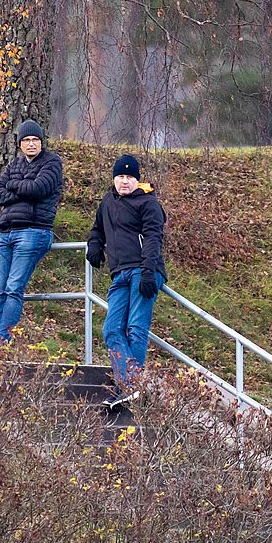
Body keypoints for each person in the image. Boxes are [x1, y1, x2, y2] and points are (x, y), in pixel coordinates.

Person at [85, 153, 165, 405]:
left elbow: (153, 238)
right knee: (111, 329)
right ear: (114, 178)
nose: (124, 181)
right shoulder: (107, 202)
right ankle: (131, 383)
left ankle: (130, 386)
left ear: (137, 180)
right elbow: (97, 228)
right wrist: (94, 245)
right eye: (120, 176)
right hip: (119, 273)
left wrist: (148, 271)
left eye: (130, 177)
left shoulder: (148, 204)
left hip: (144, 271)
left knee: (135, 328)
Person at [0, 119, 62, 347]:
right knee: (0, 290)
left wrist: (15, 187)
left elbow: (38, 189)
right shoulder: (14, 165)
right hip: (7, 233)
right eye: (26, 140)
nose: (31, 144)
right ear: (19, 144)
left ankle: (2, 342)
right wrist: (22, 190)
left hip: (33, 231)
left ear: (41, 142)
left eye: (35, 140)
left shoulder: (52, 162)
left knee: (13, 288)